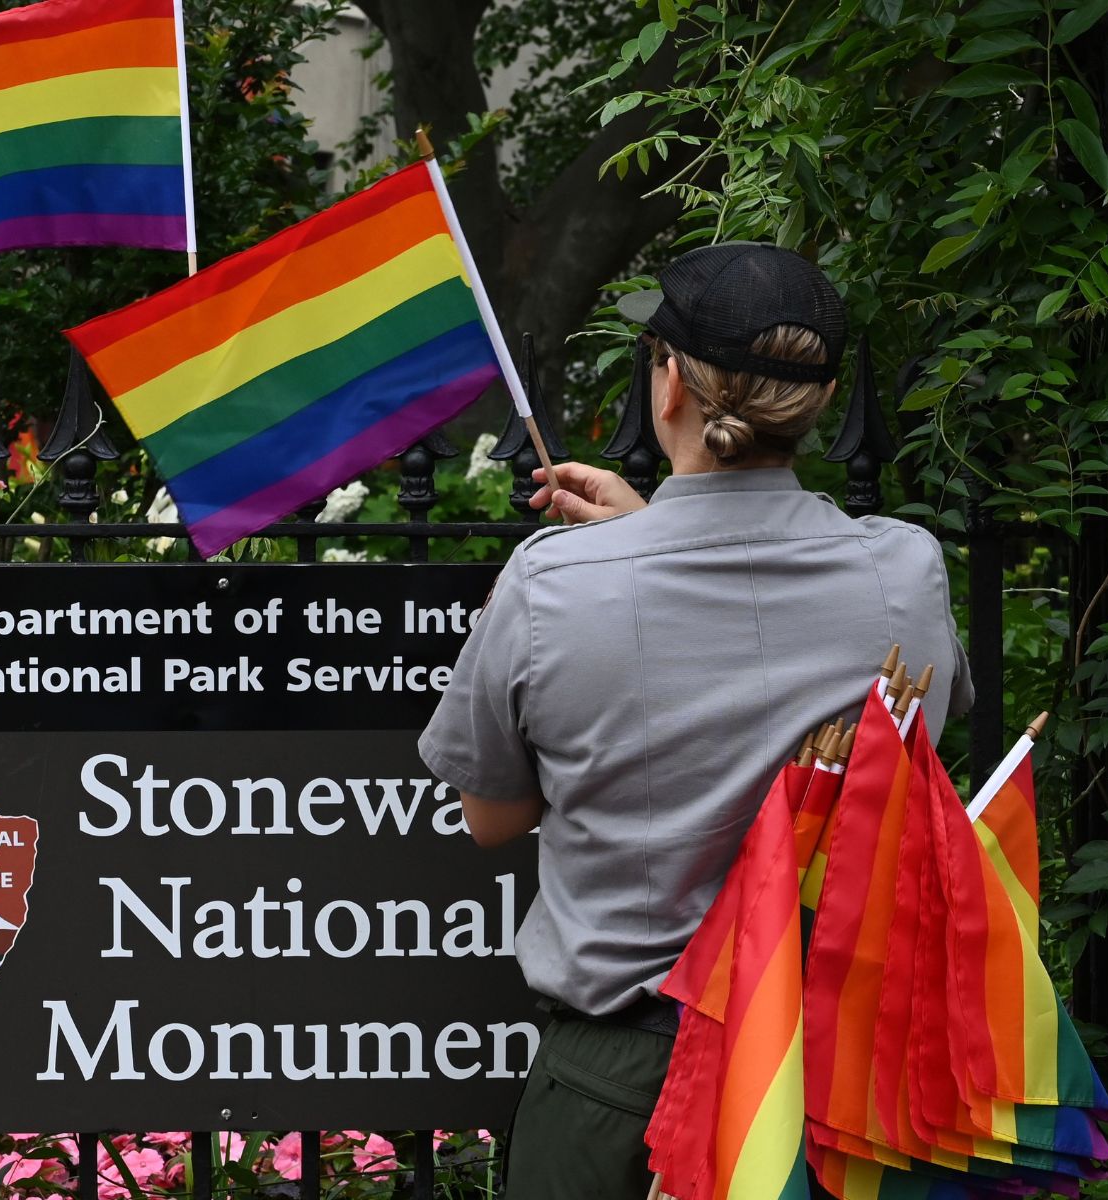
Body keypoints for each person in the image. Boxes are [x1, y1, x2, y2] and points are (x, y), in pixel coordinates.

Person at [416, 242, 973, 1199]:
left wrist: (627, 557)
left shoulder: (554, 588)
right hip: (834, 1093)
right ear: (820, 401)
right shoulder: (904, 574)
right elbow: (914, 742)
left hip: (619, 1090)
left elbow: (490, 817)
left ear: (668, 384)